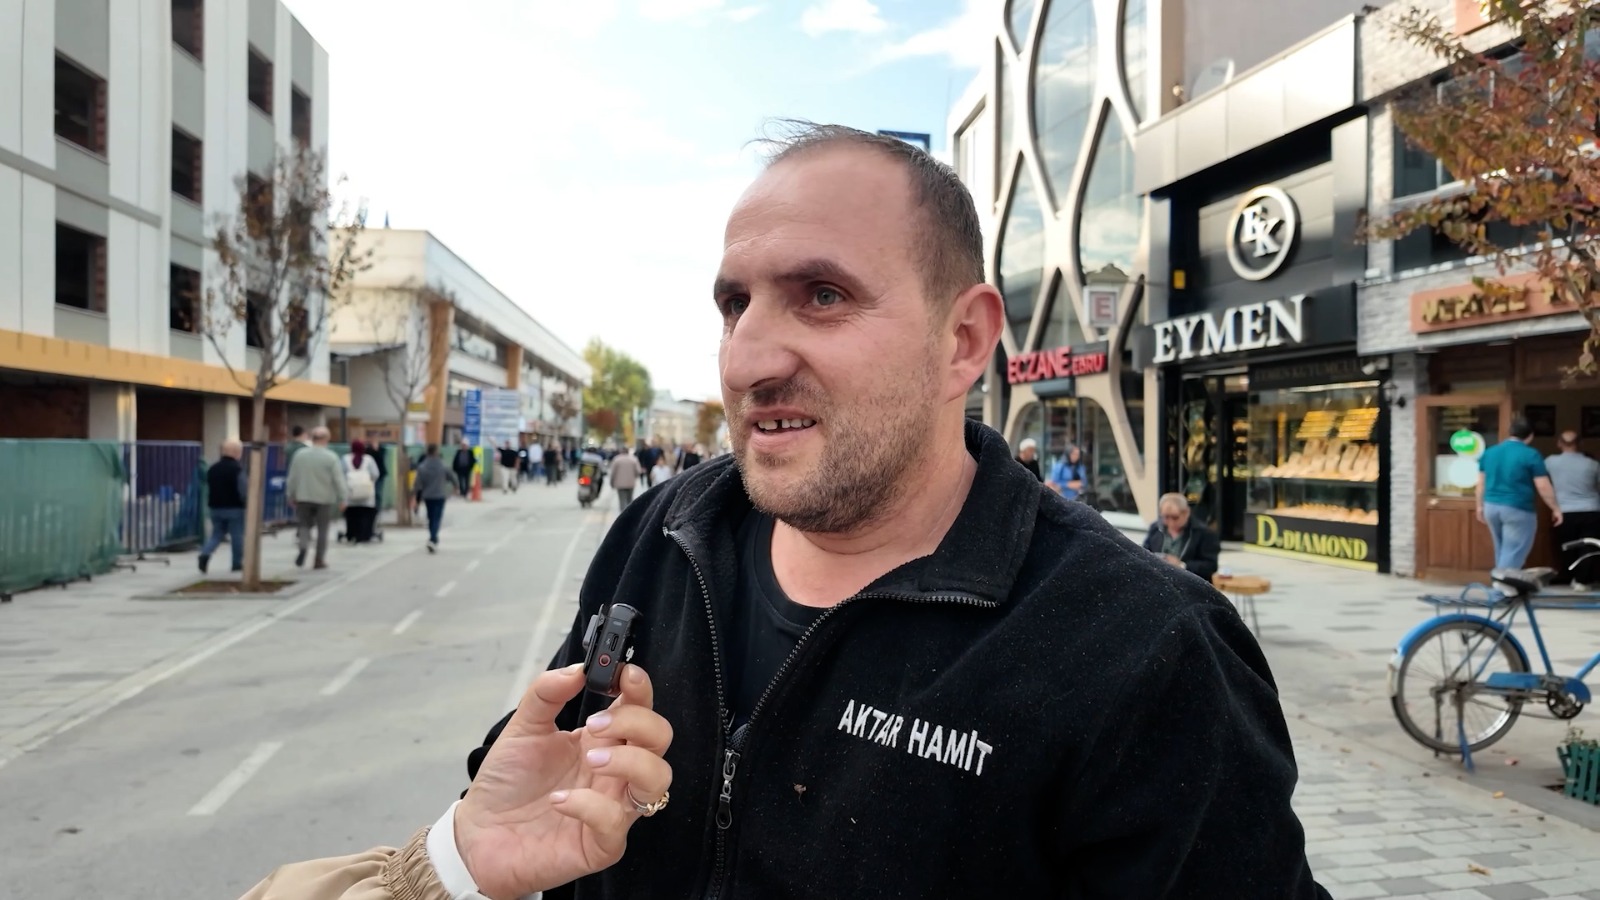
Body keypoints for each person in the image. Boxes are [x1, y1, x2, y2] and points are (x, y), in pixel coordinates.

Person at [240, 123, 1326, 899]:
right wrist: (464, 864)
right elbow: (529, 811)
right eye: (734, 303)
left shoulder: (1140, 650)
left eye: (823, 295)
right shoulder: (666, 534)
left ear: (963, 340)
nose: (748, 357)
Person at [1477, 416, 1563, 571]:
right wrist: (1555, 508)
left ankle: (1502, 582)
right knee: (1514, 552)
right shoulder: (1531, 454)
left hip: (1491, 506)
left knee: (1502, 550)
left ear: (1510, 432)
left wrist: (1479, 506)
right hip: (1518, 508)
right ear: (1530, 436)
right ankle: (1502, 585)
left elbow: (1481, 484)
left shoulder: (1489, 452)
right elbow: (1543, 486)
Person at [284, 426, 346, 570]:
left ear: (312, 438)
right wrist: (343, 497)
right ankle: (319, 559)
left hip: (303, 497)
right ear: (326, 439)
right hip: (324, 499)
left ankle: (303, 547)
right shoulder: (331, 457)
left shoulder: (299, 455)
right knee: (322, 530)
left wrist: (291, 494)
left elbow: (292, 477)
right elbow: (338, 479)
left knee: (304, 525)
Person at [1546, 430, 1600, 588]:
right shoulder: (1593, 464)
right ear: (1580, 444)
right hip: (1591, 510)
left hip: (1564, 511)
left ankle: (1567, 576)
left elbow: (1540, 480)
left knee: (1567, 546)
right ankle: (1582, 581)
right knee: (1588, 545)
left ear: (1559, 444)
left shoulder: (1550, 462)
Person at [1142, 493, 1222, 581]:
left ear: (1186, 513)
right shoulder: (1155, 528)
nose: (1171, 522)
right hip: (1158, 581)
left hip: (1189, 583)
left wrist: (1182, 565)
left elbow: (1211, 565)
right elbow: (1143, 553)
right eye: (1166, 517)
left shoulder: (1204, 533)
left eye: (1175, 517)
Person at [198, 439, 248, 574]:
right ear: (237, 453)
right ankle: (236, 563)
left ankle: (205, 553)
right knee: (237, 535)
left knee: (216, 534)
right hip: (235, 507)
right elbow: (243, 490)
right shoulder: (238, 469)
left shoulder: (213, 469)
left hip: (215, 507)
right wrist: (247, 502)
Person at [340, 440, 382, 544]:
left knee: (351, 515)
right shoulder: (369, 459)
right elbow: (375, 474)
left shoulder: (345, 459)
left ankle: (351, 534)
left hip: (350, 494)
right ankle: (365, 534)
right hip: (366, 495)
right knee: (366, 515)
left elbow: (341, 474)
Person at [412, 444, 451, 553]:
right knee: (436, 518)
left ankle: (433, 537)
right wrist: (456, 486)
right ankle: (433, 538)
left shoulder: (422, 467)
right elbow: (451, 476)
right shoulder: (443, 465)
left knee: (430, 517)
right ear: (436, 452)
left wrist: (414, 495)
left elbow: (417, 483)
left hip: (428, 496)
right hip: (440, 495)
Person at [608, 446, 641, 511]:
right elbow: (638, 471)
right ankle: (629, 513)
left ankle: (623, 513)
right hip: (630, 483)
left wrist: (611, 482)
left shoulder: (616, 459)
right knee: (630, 499)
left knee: (622, 500)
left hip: (620, 484)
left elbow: (613, 472)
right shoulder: (634, 459)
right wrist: (634, 477)